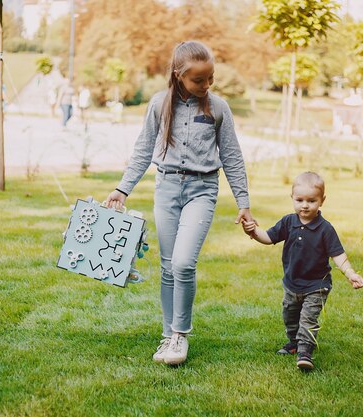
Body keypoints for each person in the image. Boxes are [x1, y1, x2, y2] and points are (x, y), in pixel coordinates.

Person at [104, 41, 255, 366]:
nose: (206, 86)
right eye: (198, 80)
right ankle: (166, 335)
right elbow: (144, 149)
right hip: (168, 188)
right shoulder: (160, 104)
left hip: (202, 190)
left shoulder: (218, 108)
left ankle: (180, 335)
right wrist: (122, 189)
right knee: (168, 267)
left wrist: (243, 201)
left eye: (210, 78)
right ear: (179, 76)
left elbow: (231, 156)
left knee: (184, 263)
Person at [241, 171, 363, 371]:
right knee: (290, 317)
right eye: (299, 200)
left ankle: (305, 351)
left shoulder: (325, 229)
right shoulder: (288, 222)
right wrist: (253, 231)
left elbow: (338, 255)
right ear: (292, 198)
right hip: (292, 284)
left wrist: (350, 273)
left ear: (322, 201)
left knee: (307, 318)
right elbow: (268, 237)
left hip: (316, 286)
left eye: (311, 200)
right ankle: (293, 343)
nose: (305, 205)